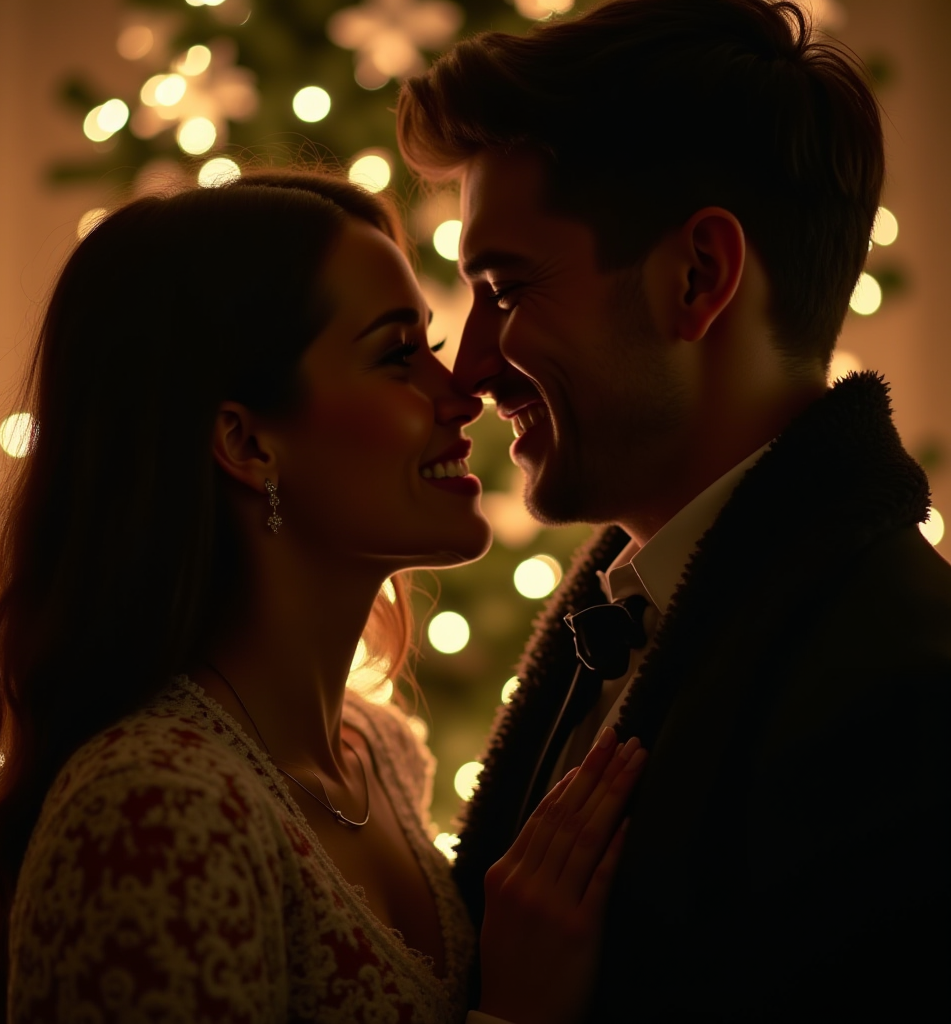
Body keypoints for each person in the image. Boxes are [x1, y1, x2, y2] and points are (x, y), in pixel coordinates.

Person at [0, 168, 648, 1024]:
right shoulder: (153, 813)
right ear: (246, 442)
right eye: (399, 353)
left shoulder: (380, 753)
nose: (461, 391)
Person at [397, 0, 951, 1020]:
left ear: (697, 277)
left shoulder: (907, 697)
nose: (470, 368)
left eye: (506, 287)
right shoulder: (616, 624)